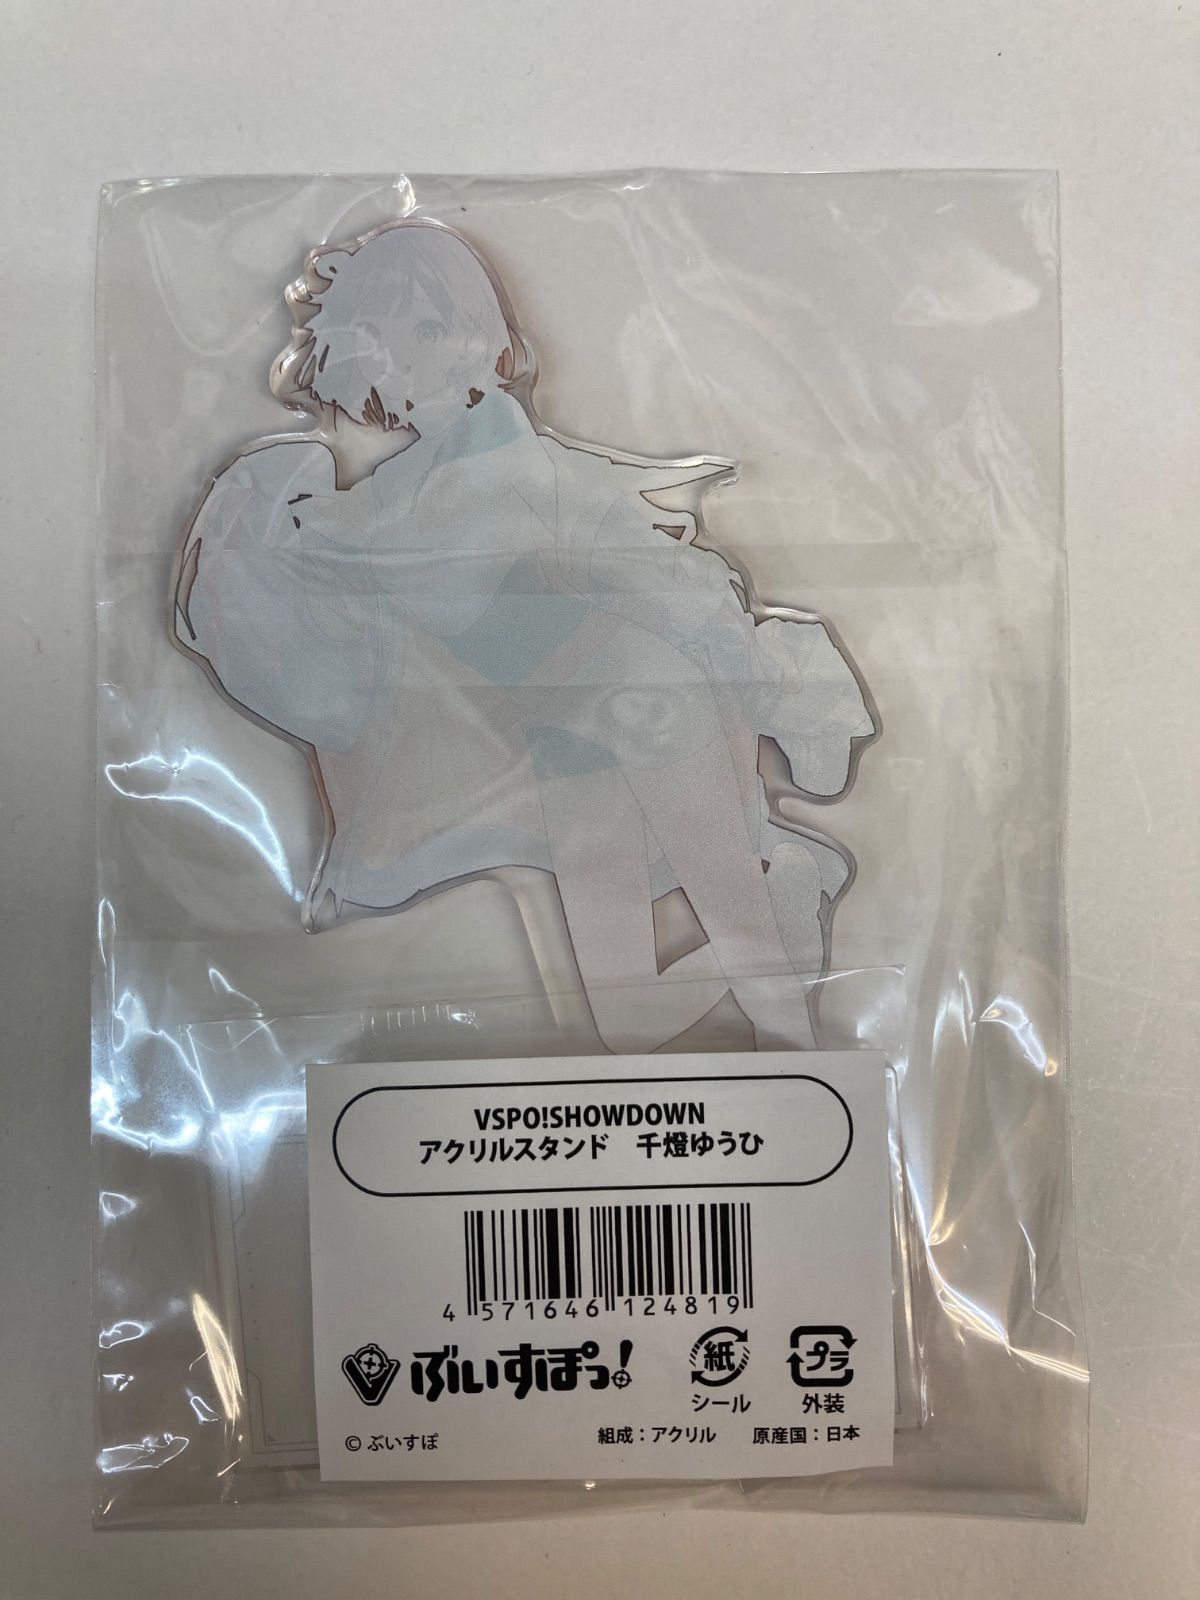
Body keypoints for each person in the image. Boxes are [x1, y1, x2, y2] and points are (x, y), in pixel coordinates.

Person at [171, 219, 876, 1050]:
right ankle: (790, 891)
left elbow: (624, 566)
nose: (406, 359)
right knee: (626, 1022)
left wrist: (758, 672)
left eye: (429, 329)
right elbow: (371, 587)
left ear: (476, 335)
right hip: (566, 742)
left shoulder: (502, 455)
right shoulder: (395, 496)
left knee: (747, 948)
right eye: (384, 338)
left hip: (649, 700)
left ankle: (796, 1058)